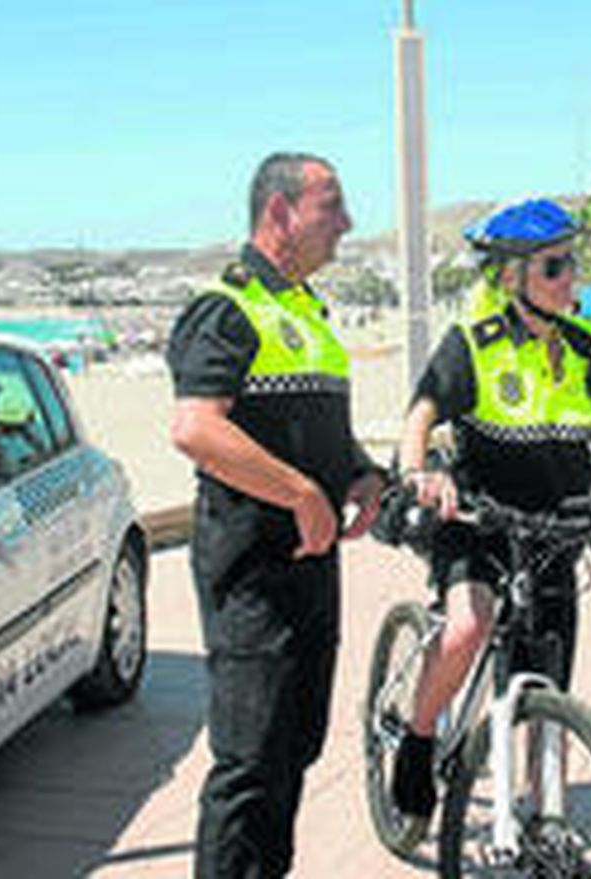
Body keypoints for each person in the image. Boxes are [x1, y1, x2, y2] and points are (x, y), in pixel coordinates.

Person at [388, 198, 591, 819]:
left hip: (556, 528)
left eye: (570, 263)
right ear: (512, 276)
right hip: (478, 519)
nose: (570, 277)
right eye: (553, 267)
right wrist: (419, 472)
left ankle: (542, 817)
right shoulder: (474, 344)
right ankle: (418, 737)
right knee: (469, 624)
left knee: (550, 681)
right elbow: (422, 414)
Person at [167, 152, 386, 878]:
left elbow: (314, 428)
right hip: (254, 573)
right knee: (250, 763)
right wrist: (300, 493)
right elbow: (196, 428)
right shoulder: (226, 306)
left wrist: (360, 473)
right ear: (280, 211)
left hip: (313, 569)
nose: (347, 222)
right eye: (332, 205)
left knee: (294, 748)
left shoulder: (305, 309)